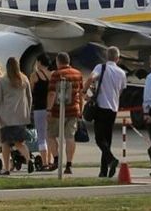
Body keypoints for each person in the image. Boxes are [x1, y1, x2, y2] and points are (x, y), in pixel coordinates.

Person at [46, 52, 87, 176]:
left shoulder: (56, 75)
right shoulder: (78, 74)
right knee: (70, 137)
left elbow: (52, 93)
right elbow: (81, 93)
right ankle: (69, 164)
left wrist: (49, 109)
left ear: (58, 62)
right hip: (73, 109)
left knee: (51, 135)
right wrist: (80, 108)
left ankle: (57, 159)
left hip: (57, 111)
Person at [89, 48, 127, 178]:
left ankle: (111, 160)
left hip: (101, 106)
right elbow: (122, 90)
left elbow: (92, 77)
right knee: (107, 139)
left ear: (106, 56)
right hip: (113, 108)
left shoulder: (101, 67)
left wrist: (84, 90)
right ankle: (103, 170)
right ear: (118, 58)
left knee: (99, 139)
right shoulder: (121, 72)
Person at [0, 57, 30, 175]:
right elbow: (29, 97)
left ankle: (6, 168)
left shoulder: (3, 81)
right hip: (21, 117)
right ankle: (28, 159)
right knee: (19, 143)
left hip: (6, 118)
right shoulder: (24, 79)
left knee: (5, 143)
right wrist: (27, 111)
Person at [29, 60, 53, 172]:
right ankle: (50, 160)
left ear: (38, 62)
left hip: (39, 108)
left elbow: (30, 91)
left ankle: (44, 163)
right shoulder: (51, 75)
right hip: (50, 108)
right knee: (49, 136)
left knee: (41, 137)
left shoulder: (35, 75)